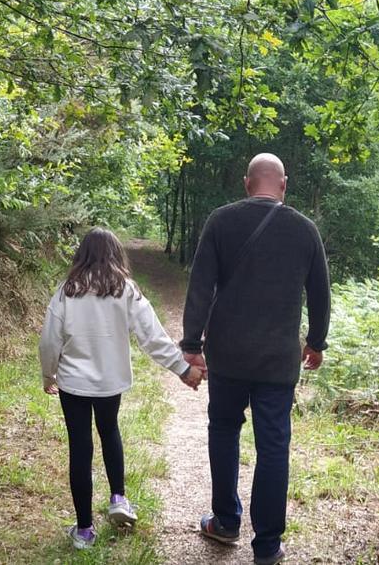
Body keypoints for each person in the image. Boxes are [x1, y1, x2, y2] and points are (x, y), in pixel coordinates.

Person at [180, 152, 331, 565]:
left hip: (227, 356)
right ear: (284, 185)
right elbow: (320, 293)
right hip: (277, 361)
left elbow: (200, 285)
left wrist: (191, 343)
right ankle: (266, 546)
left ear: (248, 183)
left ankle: (226, 522)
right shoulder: (304, 230)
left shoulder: (221, 220)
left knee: (224, 432)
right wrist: (316, 341)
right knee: (274, 447)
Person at [39, 227, 204, 550]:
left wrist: (49, 375)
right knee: (110, 430)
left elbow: (49, 341)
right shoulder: (125, 291)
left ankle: (84, 530)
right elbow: (152, 337)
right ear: (116, 254)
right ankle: (118, 498)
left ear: (81, 256)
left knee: (80, 448)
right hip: (109, 383)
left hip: (73, 384)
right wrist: (183, 369)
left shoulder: (66, 292)